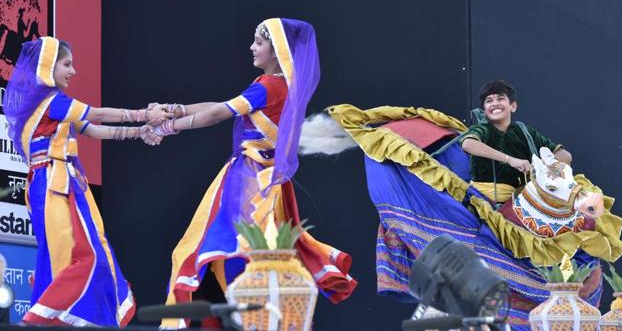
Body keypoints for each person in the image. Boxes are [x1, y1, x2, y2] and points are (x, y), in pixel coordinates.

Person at [154, 18, 357, 328]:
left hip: (249, 181)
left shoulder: (269, 86)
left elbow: (217, 114)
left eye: (258, 42)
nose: (251, 47)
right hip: (261, 179)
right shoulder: (272, 86)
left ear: (276, 51)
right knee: (231, 256)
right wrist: (179, 109)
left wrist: (169, 126)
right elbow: (222, 105)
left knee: (221, 254)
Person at [3, 36, 169, 326]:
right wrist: (146, 114)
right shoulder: (52, 101)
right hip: (54, 184)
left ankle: (48, 318)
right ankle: (39, 320)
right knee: (86, 256)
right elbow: (98, 114)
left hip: (57, 184)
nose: (73, 71)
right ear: (47, 67)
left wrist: (140, 131)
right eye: (67, 64)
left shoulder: (52, 106)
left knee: (68, 258)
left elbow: (93, 130)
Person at [460, 79, 572, 203]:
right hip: (482, 202)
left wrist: (542, 170)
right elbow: (468, 144)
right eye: (489, 101)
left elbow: (565, 156)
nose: (495, 103)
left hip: (519, 201)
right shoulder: (482, 128)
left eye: (500, 98)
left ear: (513, 106)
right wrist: (510, 160)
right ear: (484, 110)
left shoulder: (525, 132)